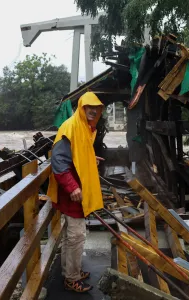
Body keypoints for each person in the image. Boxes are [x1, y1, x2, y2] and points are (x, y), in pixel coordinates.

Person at [47, 92, 104, 293]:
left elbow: (76, 154)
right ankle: (71, 278)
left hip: (76, 192)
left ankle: (71, 271)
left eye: (96, 108)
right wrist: (72, 187)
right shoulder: (70, 127)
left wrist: (91, 158)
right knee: (76, 236)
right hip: (72, 194)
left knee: (71, 236)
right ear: (81, 107)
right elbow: (59, 162)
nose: (93, 111)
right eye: (89, 107)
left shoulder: (84, 128)